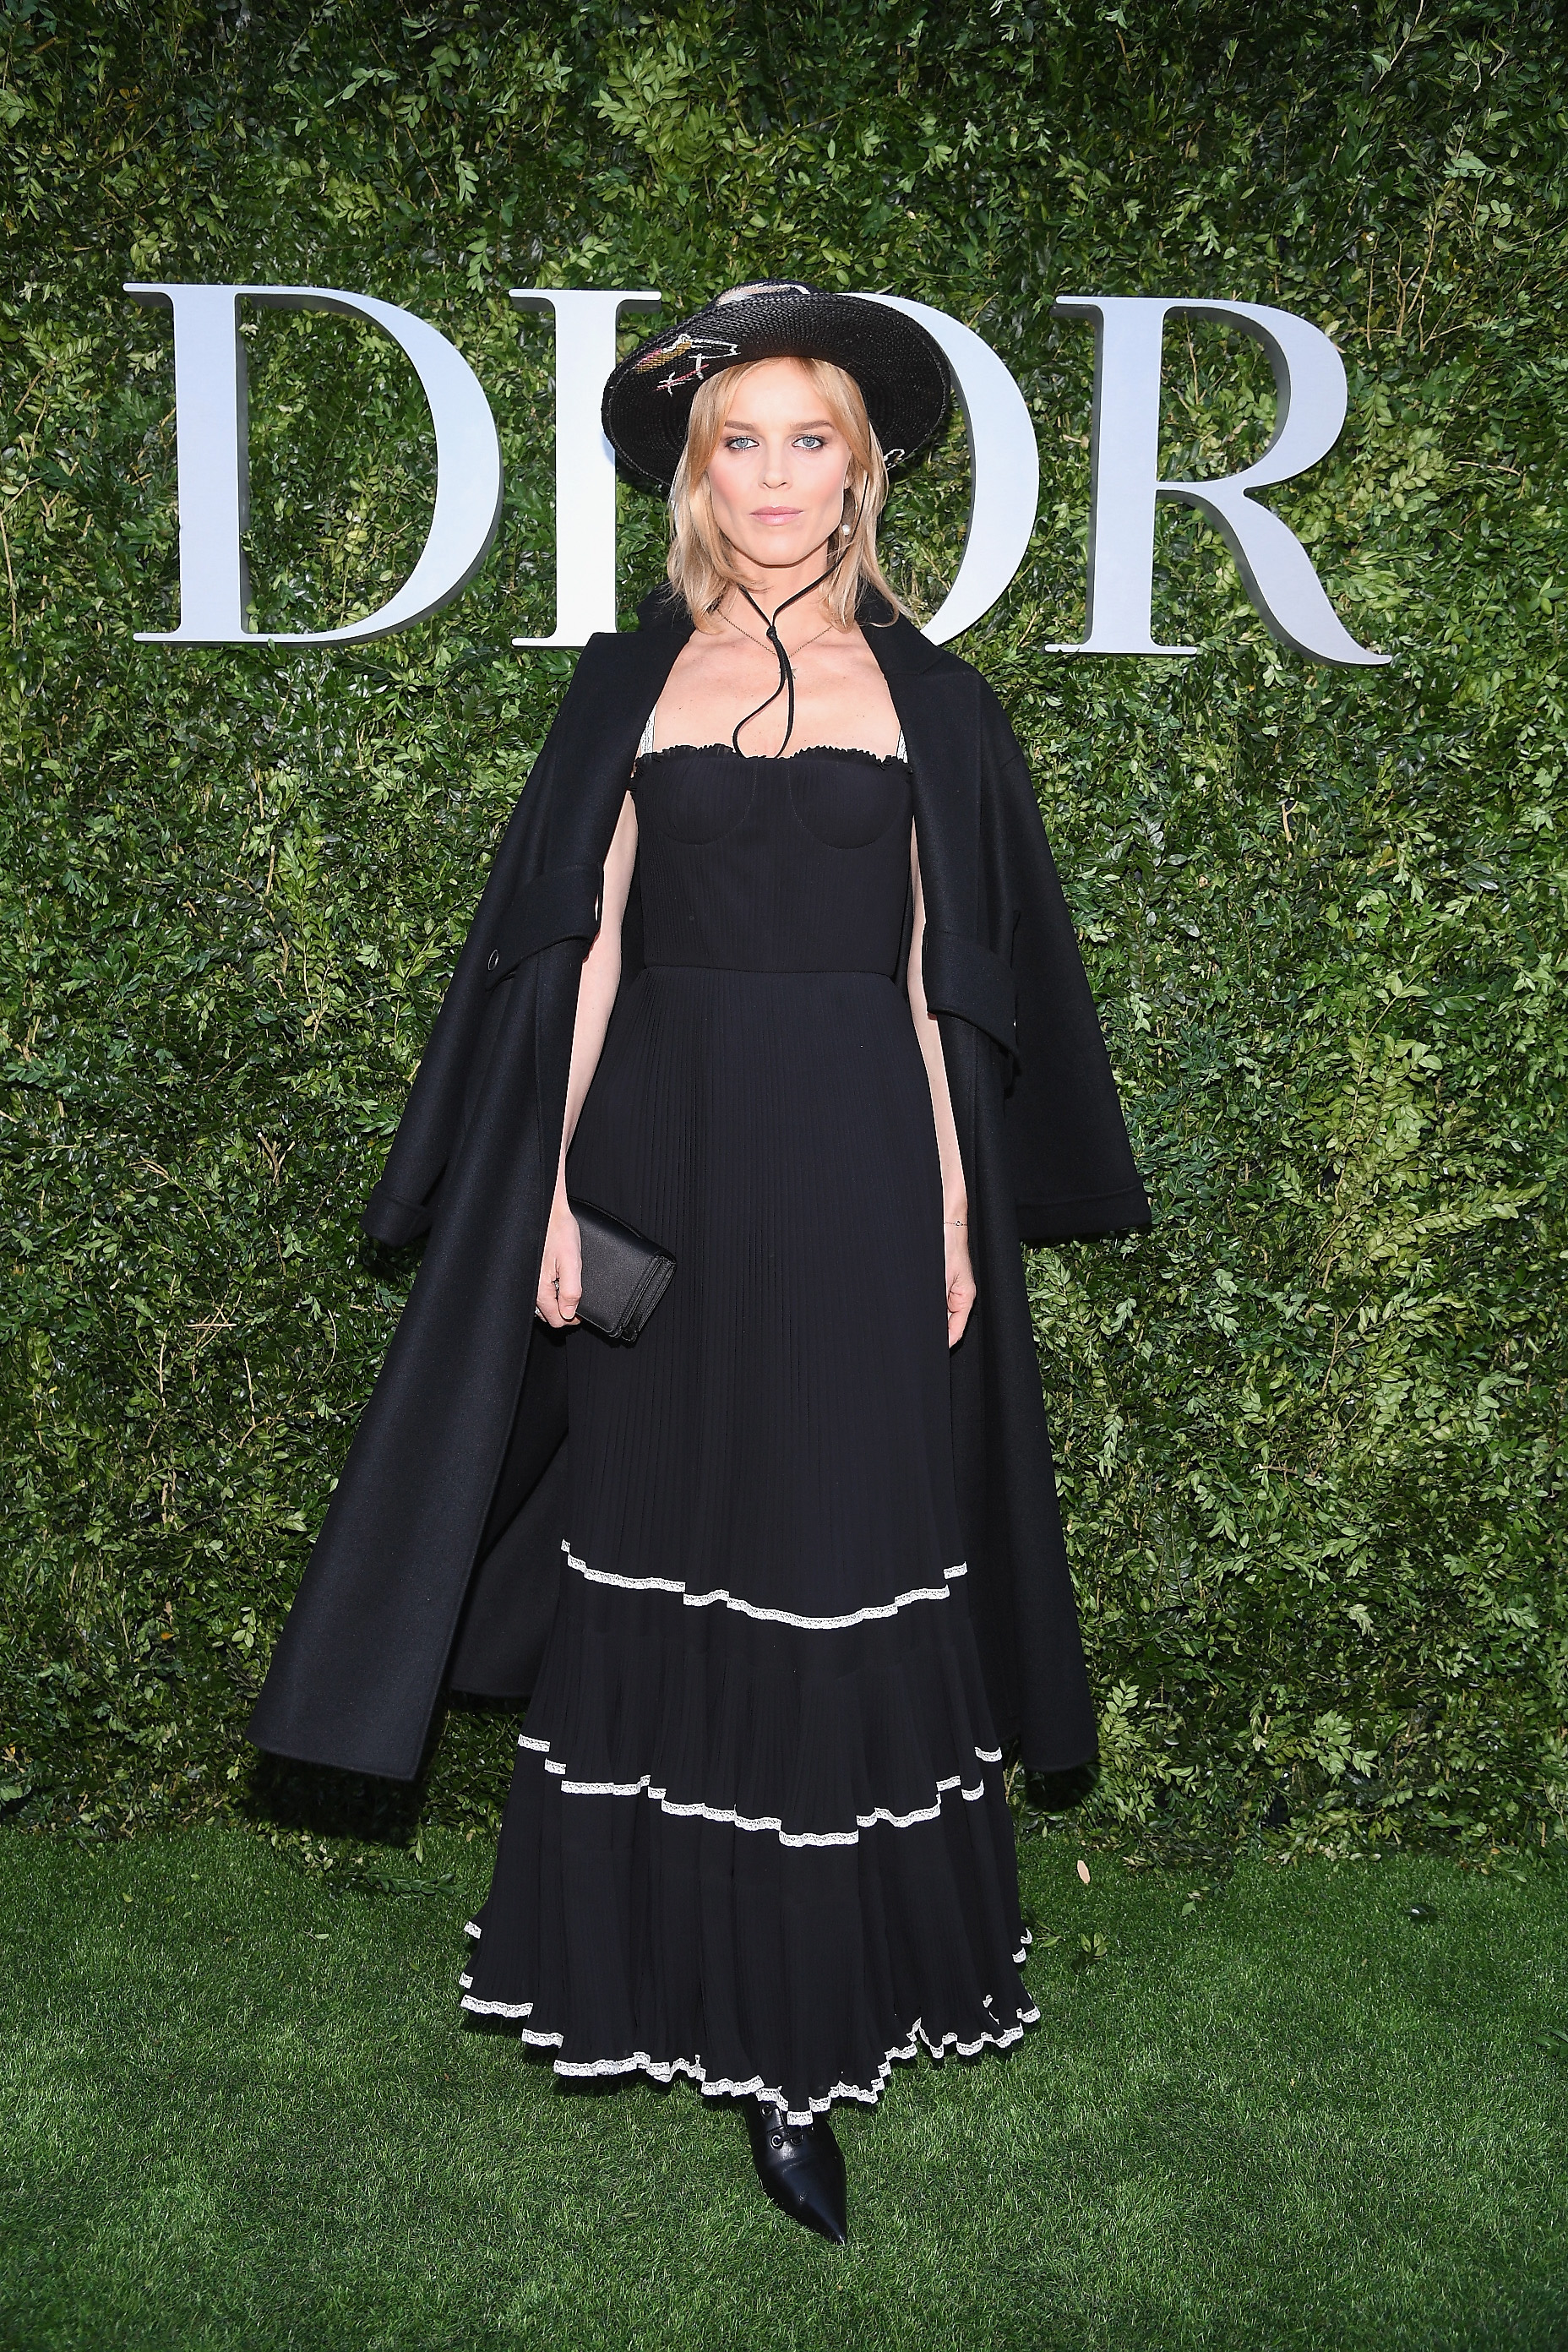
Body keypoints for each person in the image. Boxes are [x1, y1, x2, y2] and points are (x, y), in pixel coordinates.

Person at [248, 282, 1150, 2245]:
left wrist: (942, 1209)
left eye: (807, 437)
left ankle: (806, 2050)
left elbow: (944, 991)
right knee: (659, 1557)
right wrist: (550, 1198)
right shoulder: (619, 689)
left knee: (836, 1567)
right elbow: (574, 965)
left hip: (849, 1179)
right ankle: (659, 1983)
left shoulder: (934, 700)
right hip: (656, 1173)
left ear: (864, 469)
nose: (771, 475)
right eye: (736, 439)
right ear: (693, 470)